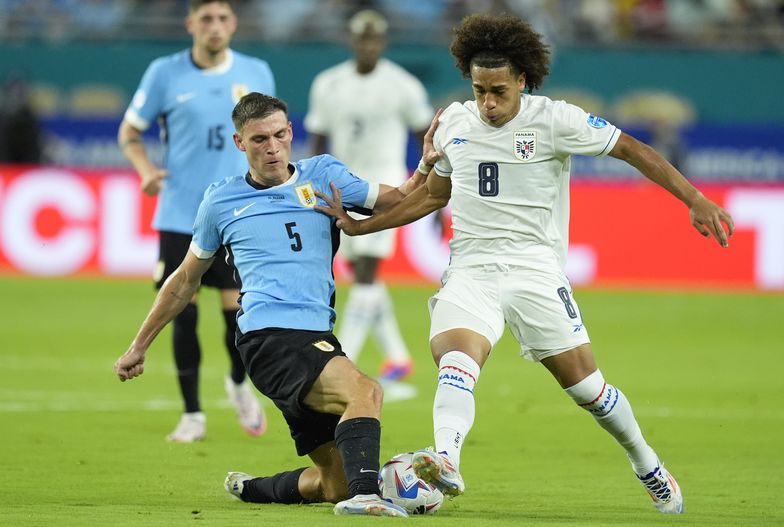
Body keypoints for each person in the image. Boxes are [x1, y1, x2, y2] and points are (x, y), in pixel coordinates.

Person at [316, 13, 735, 515]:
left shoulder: (557, 120)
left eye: (498, 91)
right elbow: (431, 196)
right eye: (479, 91)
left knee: (589, 390)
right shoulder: (454, 123)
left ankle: (646, 462)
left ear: (521, 80)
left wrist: (694, 198)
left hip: (535, 271)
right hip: (471, 269)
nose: (488, 103)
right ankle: (446, 460)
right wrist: (364, 226)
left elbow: (631, 148)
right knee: (455, 362)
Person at [114, 92, 432, 517]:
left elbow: (398, 198)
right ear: (239, 143)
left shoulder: (323, 176)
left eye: (280, 135)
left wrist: (427, 165)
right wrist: (139, 346)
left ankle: (253, 488)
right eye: (259, 139)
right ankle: (367, 497)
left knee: (333, 483)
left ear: (291, 132)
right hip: (269, 338)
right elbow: (185, 279)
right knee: (366, 391)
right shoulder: (221, 201)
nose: (272, 148)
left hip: (315, 335)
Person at [118, 0, 276, 442]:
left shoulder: (257, 72)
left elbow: (269, 137)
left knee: (238, 320)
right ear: (191, 23)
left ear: (234, 23)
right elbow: (129, 132)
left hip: (237, 215)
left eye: (223, 18)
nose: (215, 26)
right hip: (180, 214)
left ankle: (238, 383)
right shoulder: (164, 73)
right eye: (206, 18)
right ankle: (192, 415)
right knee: (182, 316)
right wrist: (145, 170)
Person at [304, 9, 435, 390]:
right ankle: (398, 357)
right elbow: (318, 140)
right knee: (360, 270)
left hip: (385, 186)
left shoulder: (403, 85)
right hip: (341, 186)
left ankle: (343, 357)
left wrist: (430, 190)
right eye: (362, 38)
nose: (368, 45)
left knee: (366, 271)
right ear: (353, 40)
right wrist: (309, 188)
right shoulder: (328, 84)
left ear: (383, 41)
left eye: (374, 38)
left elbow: (425, 139)